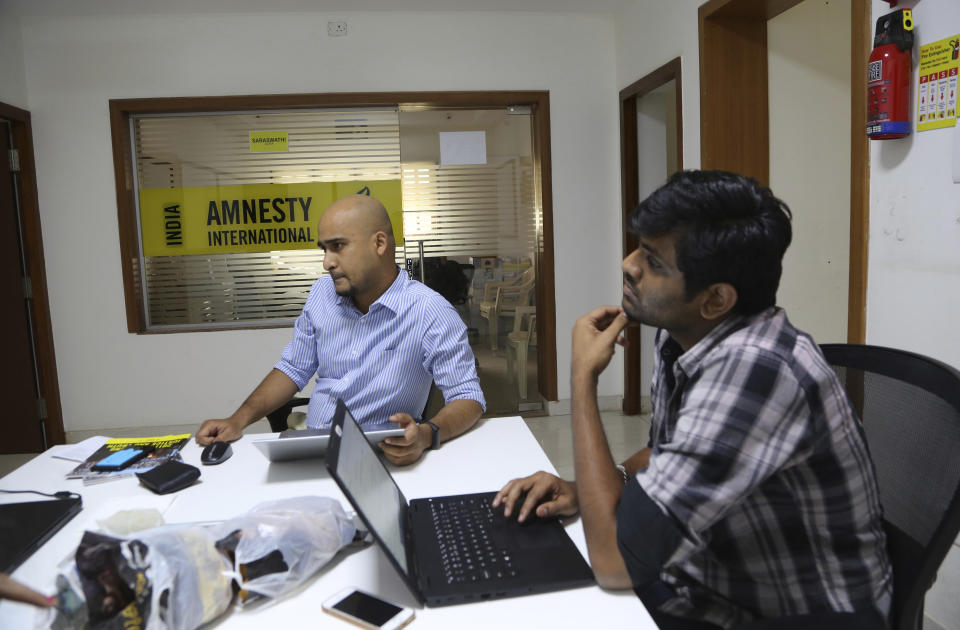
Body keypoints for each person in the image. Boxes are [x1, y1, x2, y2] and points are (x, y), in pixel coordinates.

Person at [494, 171, 892, 629]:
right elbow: (668, 452)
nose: (629, 264)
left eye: (654, 262)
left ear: (716, 299)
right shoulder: (683, 337)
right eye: (638, 247)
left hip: (799, 610)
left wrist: (581, 378)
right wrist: (592, 487)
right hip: (712, 572)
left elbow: (614, 563)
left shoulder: (755, 371)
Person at [196, 194, 485, 466]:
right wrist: (238, 420)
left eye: (338, 246)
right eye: (324, 249)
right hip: (314, 450)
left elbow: (468, 396)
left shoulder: (429, 311)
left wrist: (427, 434)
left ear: (380, 244)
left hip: (381, 458)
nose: (326, 262)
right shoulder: (323, 293)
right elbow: (294, 367)